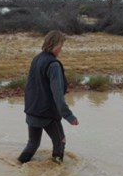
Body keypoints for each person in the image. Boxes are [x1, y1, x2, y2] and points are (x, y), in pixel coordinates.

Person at [18, 30, 79, 164]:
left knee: (33, 143)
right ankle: (56, 174)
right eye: (61, 46)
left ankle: (19, 165)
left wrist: (29, 107)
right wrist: (68, 115)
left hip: (32, 109)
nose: (61, 49)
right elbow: (57, 95)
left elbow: (30, 86)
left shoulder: (37, 59)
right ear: (56, 45)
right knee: (60, 142)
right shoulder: (54, 65)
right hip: (47, 113)